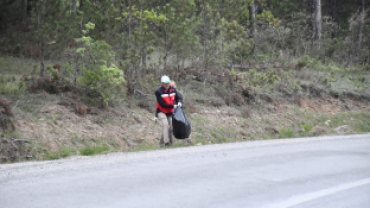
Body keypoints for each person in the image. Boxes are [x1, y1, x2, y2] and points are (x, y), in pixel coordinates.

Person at [155, 75, 183, 147]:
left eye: (168, 83)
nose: (167, 85)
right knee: (165, 125)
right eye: (165, 83)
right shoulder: (159, 92)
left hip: (170, 112)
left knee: (170, 128)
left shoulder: (173, 90)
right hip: (161, 111)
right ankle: (166, 142)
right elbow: (162, 104)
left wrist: (179, 102)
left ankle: (161, 144)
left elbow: (178, 97)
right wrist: (173, 106)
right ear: (162, 83)